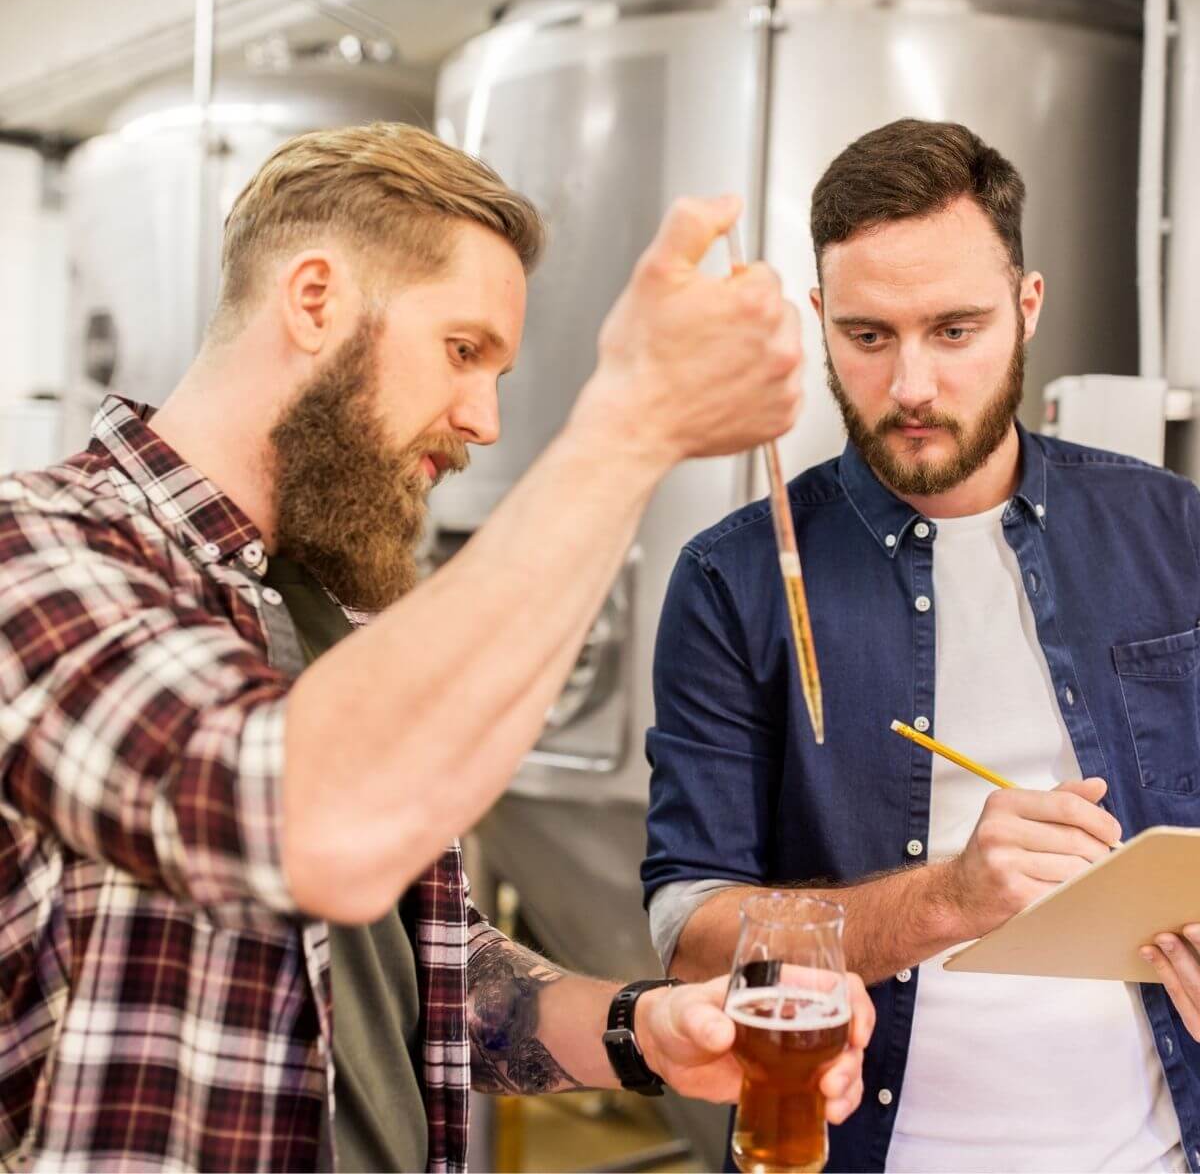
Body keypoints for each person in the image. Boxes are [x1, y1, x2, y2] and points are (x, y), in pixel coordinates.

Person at [0, 122, 871, 1172]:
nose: (484, 419)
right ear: (315, 299)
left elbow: (432, 975)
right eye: (464, 352)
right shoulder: (39, 552)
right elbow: (303, 822)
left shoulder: (342, 608)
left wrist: (642, 1033)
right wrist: (631, 426)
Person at [643, 117, 1200, 1173]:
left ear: (1027, 310)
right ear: (819, 321)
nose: (909, 387)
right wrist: (950, 900)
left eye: (954, 330)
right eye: (866, 336)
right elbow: (688, 926)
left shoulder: (1176, 534)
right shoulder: (736, 578)